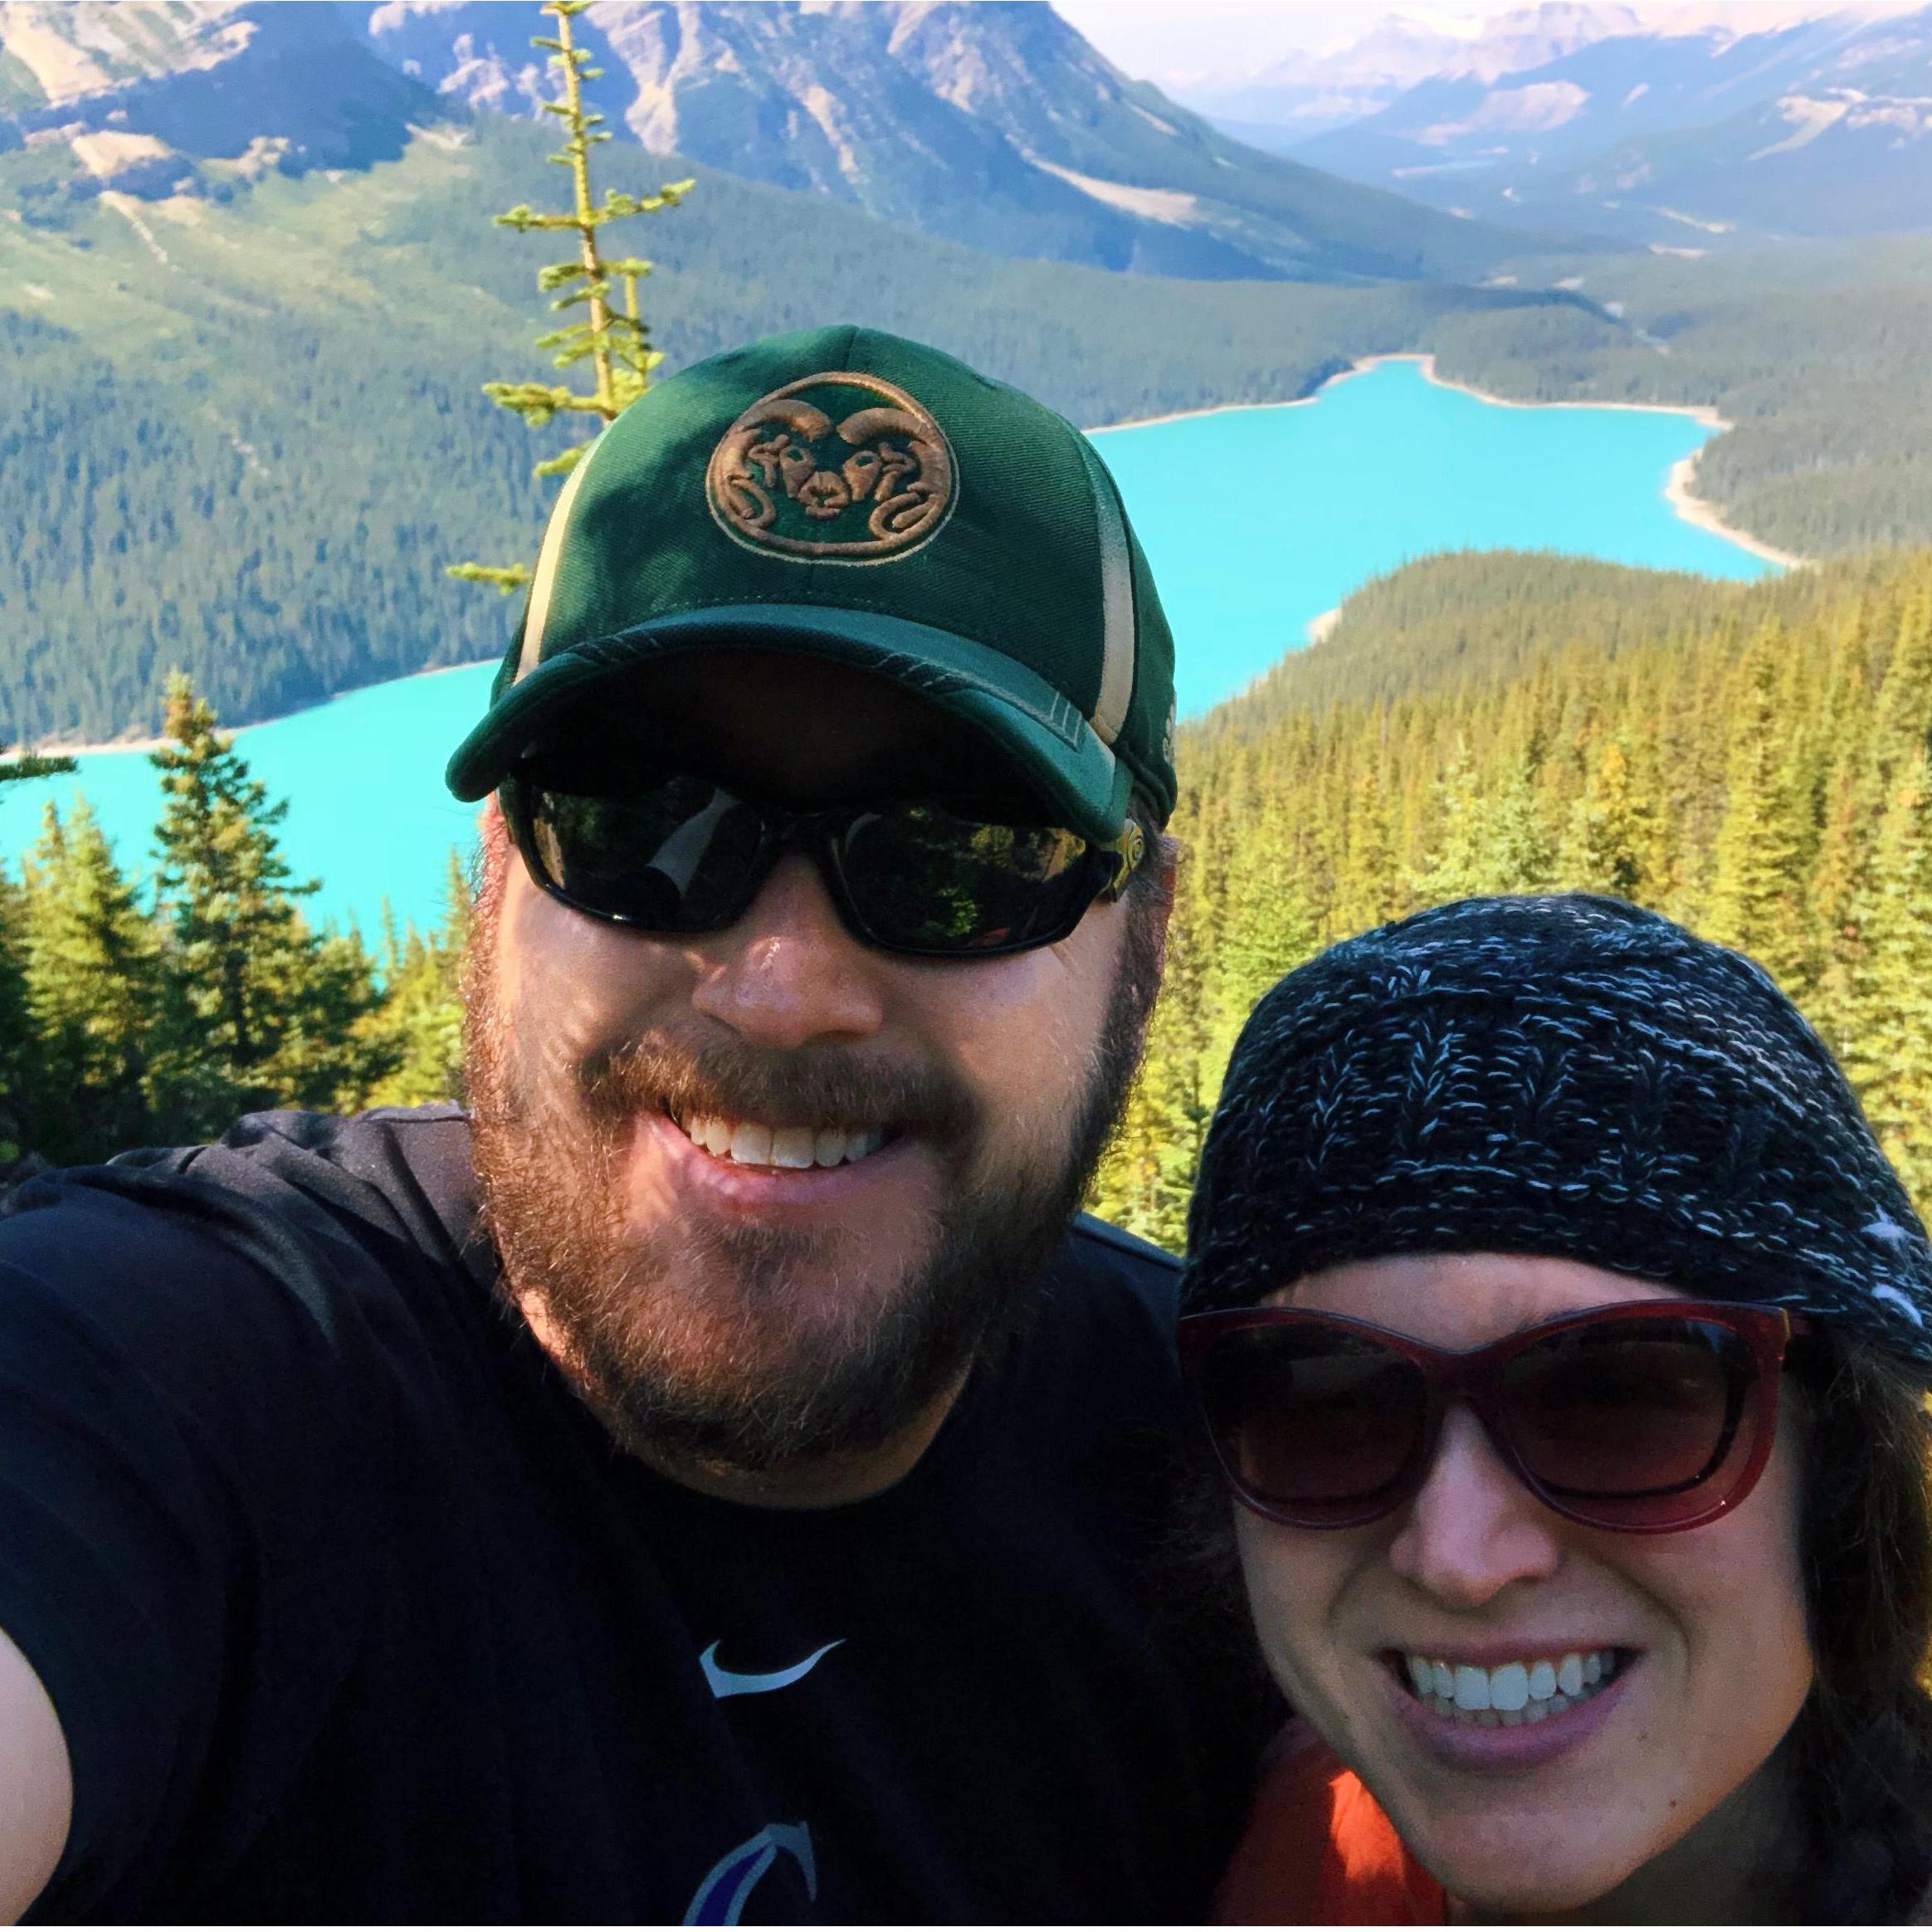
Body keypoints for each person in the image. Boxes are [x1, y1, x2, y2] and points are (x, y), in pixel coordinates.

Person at [0, 324, 1261, 1922]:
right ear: (497, 876)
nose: (780, 986)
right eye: (639, 818)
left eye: (960, 849)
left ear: (1140, 936)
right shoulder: (189, 1368)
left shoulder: (1263, 1475)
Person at [1178, 895, 1932, 1925]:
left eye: (1615, 1398)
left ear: (1841, 1469)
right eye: (1328, 1410)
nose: (1459, 1558)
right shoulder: (1297, 1849)